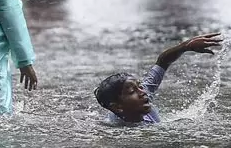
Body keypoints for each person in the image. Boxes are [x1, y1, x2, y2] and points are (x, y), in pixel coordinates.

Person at [95, 32, 223, 125]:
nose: (143, 92)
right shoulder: (114, 130)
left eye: (139, 86)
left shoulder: (144, 96)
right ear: (117, 107)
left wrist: (185, 46)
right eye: (132, 91)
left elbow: (162, 62)